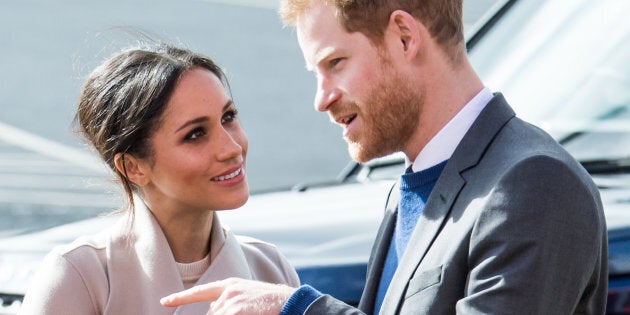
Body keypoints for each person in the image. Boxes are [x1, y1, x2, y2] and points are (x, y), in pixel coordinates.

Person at [160, 0, 608, 314]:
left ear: (404, 35)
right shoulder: (413, 185)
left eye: (335, 63)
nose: (321, 98)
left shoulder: (532, 183)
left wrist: (297, 309)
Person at [18, 44, 299, 315]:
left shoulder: (269, 268)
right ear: (132, 167)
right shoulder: (80, 277)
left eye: (229, 117)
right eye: (195, 134)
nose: (232, 148)